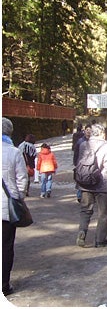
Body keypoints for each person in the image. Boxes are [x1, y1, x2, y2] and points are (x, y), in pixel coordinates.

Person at [76, 123, 107, 247]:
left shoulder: (83, 145)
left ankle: (82, 232)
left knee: (85, 210)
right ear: (103, 133)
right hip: (101, 184)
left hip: (85, 183)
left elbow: (78, 162)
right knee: (102, 213)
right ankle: (100, 240)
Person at [2, 118, 28, 296]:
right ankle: (4, 283)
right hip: (6, 207)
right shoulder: (13, 152)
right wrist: (18, 198)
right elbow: (22, 179)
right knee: (6, 246)